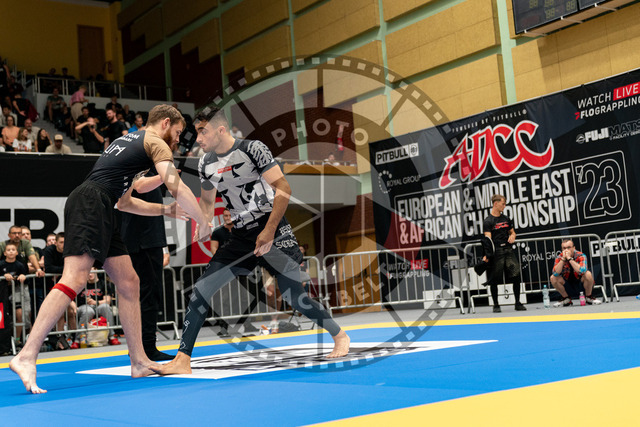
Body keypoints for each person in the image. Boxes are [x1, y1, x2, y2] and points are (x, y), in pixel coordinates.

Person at [10, 104, 212, 394]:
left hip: (102, 204)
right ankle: (26, 355)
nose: (178, 140)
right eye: (178, 132)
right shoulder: (155, 142)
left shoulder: (130, 141)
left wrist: (166, 210)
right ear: (166, 123)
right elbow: (176, 186)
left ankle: (139, 361)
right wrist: (202, 220)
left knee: (129, 281)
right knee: (74, 278)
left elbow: (128, 200)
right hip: (92, 202)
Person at [153, 107, 350, 376]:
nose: (198, 138)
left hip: (273, 228)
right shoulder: (205, 163)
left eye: (202, 132)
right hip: (241, 235)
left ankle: (339, 335)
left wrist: (268, 231)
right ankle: (182, 358)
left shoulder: (253, 149)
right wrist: (204, 222)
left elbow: (284, 189)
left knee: (293, 296)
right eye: (196, 132)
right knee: (201, 289)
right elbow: (208, 202)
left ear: (221, 130)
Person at [119, 172, 174, 361]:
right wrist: (165, 175)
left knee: (144, 295)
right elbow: (139, 185)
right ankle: (146, 347)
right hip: (143, 242)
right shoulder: (140, 169)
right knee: (147, 295)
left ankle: (140, 347)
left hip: (147, 240)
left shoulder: (147, 171)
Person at [482, 194, 526, 313]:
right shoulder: (488, 221)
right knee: (495, 279)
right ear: (495, 204)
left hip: (508, 251)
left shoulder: (506, 218)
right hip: (496, 252)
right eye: (503, 204)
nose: (504, 206)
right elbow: (487, 240)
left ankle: (517, 302)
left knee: (516, 275)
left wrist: (513, 236)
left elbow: (513, 232)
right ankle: (496, 304)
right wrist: (487, 255)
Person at [43, 232, 77, 350]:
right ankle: (60, 338)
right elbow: (49, 268)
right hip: (51, 287)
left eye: (65, 242)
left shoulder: (70, 251)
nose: (64, 245)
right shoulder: (49, 251)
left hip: (68, 285)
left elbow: (74, 267)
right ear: (56, 243)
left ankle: (75, 338)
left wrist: (61, 271)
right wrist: (65, 270)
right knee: (60, 313)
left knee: (71, 312)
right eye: (61, 242)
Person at [73, 268, 119, 348]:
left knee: (105, 307)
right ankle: (78, 339)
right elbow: (71, 299)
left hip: (98, 305)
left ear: (96, 271)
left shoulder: (103, 284)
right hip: (84, 306)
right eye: (88, 272)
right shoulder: (81, 284)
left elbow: (107, 301)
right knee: (89, 311)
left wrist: (95, 302)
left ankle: (111, 336)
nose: (90, 274)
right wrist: (74, 307)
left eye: (92, 271)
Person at [550, 239, 602, 306]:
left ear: (574, 248)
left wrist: (569, 259)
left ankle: (589, 297)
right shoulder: (560, 257)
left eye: (569, 247)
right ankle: (566, 299)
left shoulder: (581, 255)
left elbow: (582, 271)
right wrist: (563, 260)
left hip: (581, 284)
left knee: (588, 274)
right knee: (553, 278)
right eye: (564, 248)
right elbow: (555, 273)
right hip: (568, 285)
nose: (566, 250)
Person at [0, 242, 29, 346]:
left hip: (16, 292)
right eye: (8, 250)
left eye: (13, 250)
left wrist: (23, 276)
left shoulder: (20, 265)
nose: (11, 252)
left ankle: (17, 339)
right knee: (4, 318)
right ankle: (5, 342)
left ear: (17, 252)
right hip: (2, 295)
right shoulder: (1, 264)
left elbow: (26, 276)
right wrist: (4, 276)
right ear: (4, 253)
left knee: (19, 314)